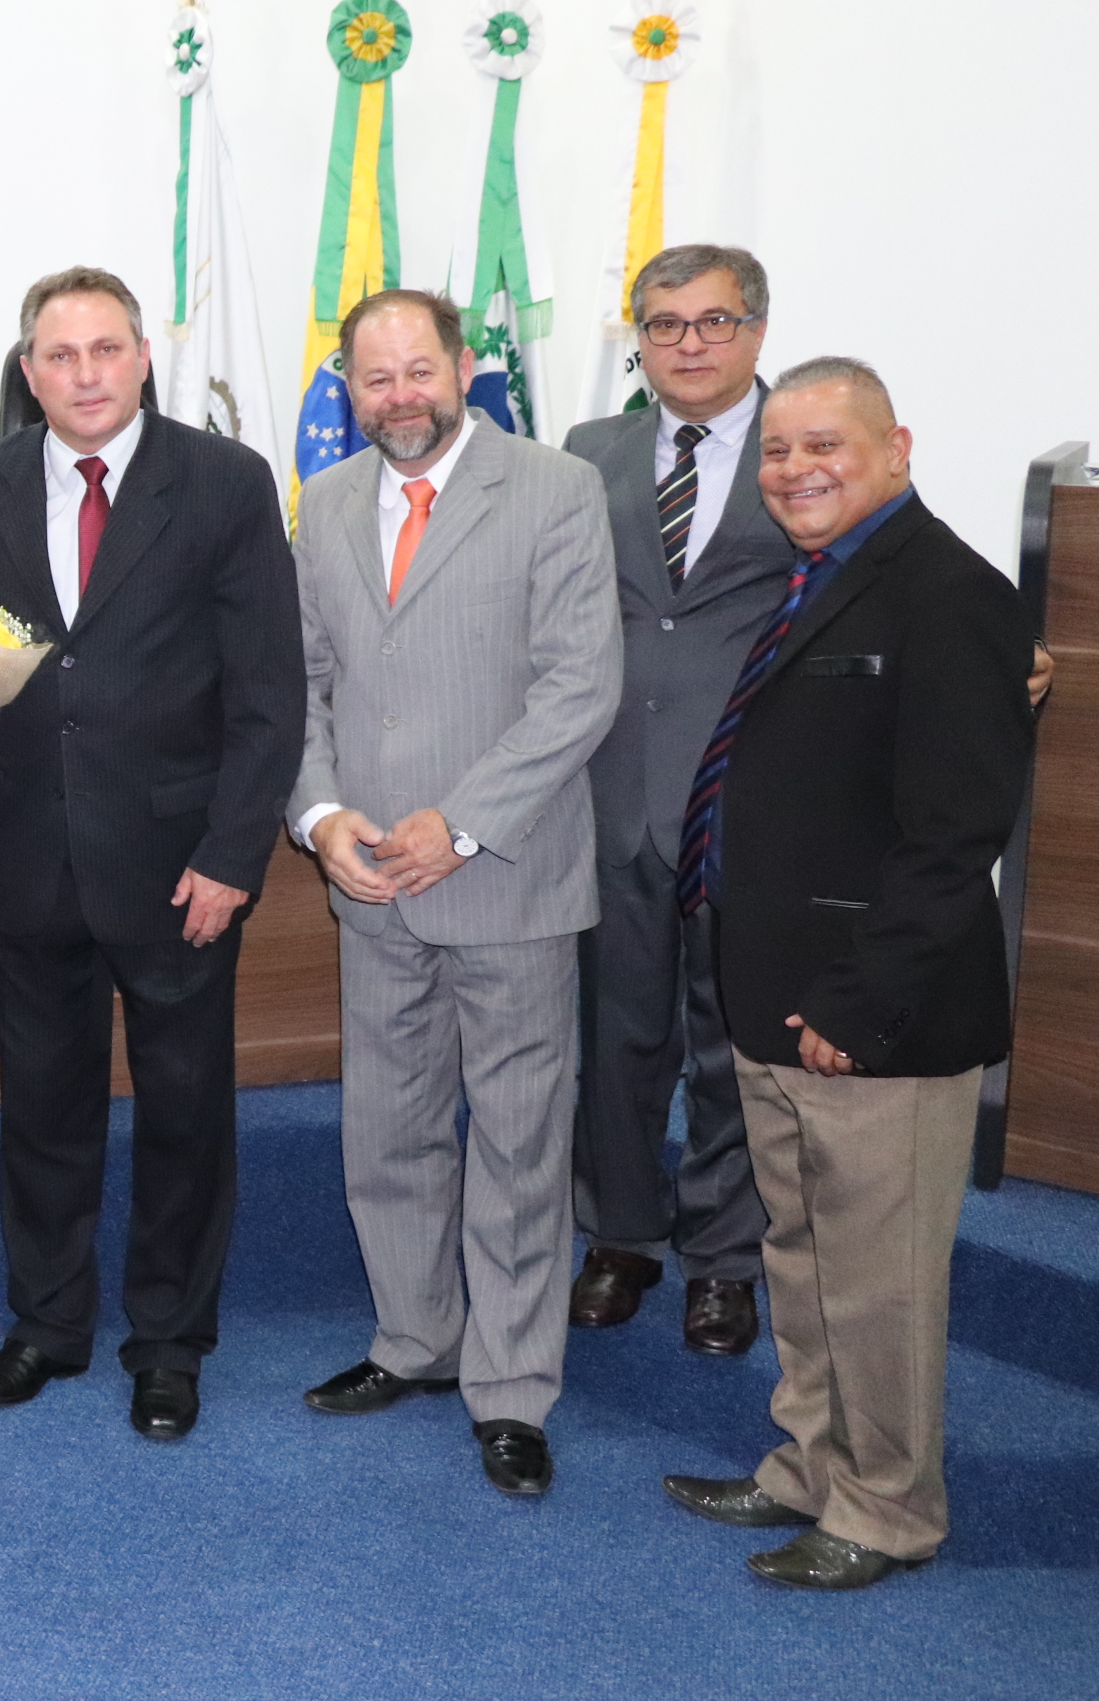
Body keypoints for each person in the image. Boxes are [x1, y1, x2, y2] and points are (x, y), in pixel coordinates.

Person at [660, 359, 1034, 1590]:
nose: (796, 470)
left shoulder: (951, 597)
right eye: (776, 451)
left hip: (879, 1021)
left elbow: (954, 837)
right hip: (781, 996)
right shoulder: (820, 578)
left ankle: (888, 1509)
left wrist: (857, 1008)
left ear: (897, 447)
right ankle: (810, 1465)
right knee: (805, 1259)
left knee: (880, 1287)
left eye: (825, 445)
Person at [0, 267, 303, 1443]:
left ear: (143, 356)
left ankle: (169, 1341)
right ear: (28, 369)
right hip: (37, 857)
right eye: (59, 353)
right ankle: (46, 1326)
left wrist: (235, 852)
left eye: (105, 349)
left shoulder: (226, 482)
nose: (84, 373)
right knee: (43, 1109)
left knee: (186, 1112)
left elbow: (268, 689)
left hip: (180, 864)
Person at [289, 287, 618, 1498]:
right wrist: (321, 818)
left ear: (465, 365)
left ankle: (514, 1388)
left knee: (522, 1146)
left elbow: (579, 688)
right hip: (371, 883)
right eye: (374, 381)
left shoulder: (553, 488)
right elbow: (308, 684)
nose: (400, 399)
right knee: (391, 1131)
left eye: (418, 372)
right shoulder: (322, 504)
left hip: (510, 878)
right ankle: (414, 1342)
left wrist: (464, 824)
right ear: (347, 388)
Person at [560, 245, 789, 1355]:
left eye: (712, 322)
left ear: (754, 332)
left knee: (729, 1043)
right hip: (604, 793)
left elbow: (893, 568)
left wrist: (1001, 653)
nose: (687, 344)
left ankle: (724, 1261)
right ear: (637, 339)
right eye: (664, 325)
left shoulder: (802, 444)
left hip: (749, 798)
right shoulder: (588, 452)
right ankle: (618, 1238)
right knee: (614, 1033)